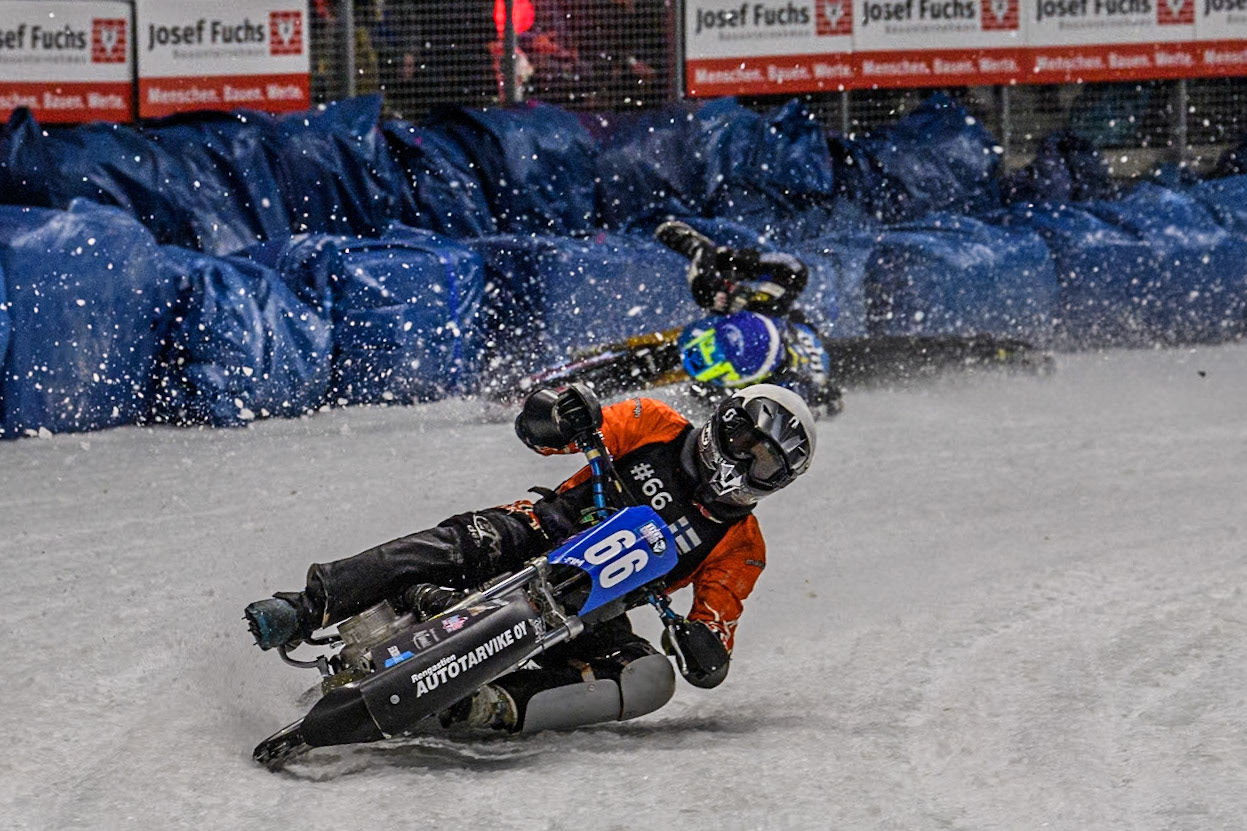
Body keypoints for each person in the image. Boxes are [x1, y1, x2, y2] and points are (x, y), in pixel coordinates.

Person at [245, 381, 817, 735]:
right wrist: (559, 413)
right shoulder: (654, 423)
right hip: (538, 527)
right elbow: (545, 433)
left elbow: (715, 630)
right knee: (459, 542)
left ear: (778, 483)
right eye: (745, 444)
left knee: (651, 678)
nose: (743, 465)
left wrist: (705, 649)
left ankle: (493, 708)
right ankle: (304, 607)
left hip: (596, 605)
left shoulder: (743, 547)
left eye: (764, 464)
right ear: (725, 422)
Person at [656, 220, 843, 418]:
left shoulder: (785, 391)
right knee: (710, 291)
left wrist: (822, 402)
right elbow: (795, 268)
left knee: (723, 407)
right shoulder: (766, 307)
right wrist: (726, 262)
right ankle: (703, 250)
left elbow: (829, 404)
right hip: (768, 323)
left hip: (774, 373)